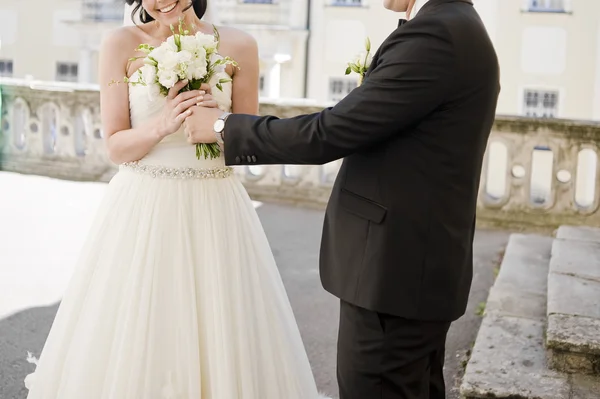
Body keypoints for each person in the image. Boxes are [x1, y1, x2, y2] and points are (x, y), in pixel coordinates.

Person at [186, 0, 501, 398]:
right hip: (416, 267)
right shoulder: (455, 26)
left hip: (395, 272)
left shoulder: (436, 35)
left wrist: (222, 126)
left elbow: (330, 132)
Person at [24, 1, 329, 398]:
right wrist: (162, 125)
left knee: (218, 322)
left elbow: (247, 140)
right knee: (140, 323)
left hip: (214, 205)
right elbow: (116, 147)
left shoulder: (240, 45)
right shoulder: (119, 44)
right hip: (143, 207)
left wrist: (216, 126)